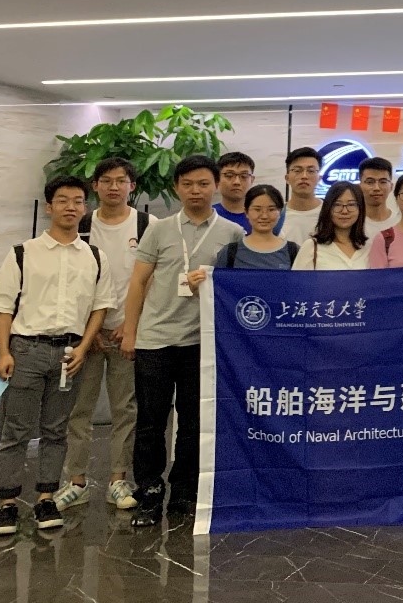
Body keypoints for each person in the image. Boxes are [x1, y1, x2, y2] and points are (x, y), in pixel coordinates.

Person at [0, 176, 115, 536]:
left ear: (85, 207)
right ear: (49, 207)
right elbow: (2, 308)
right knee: (16, 430)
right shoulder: (23, 253)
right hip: (26, 350)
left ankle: (46, 498)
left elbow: (100, 308)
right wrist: (4, 353)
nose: (70, 207)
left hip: (70, 354)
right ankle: (7, 504)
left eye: (78, 201)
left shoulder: (95, 256)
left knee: (56, 430)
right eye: (62, 200)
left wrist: (84, 348)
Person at [122, 155, 243, 527]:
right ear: (177, 187)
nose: (196, 191)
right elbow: (138, 282)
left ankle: (184, 491)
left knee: (193, 422)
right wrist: (130, 333)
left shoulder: (232, 233)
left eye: (203, 183)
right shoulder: (159, 229)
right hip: (155, 340)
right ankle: (149, 490)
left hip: (201, 343)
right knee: (150, 422)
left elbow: (236, 288)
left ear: (216, 186)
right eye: (188, 184)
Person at [55, 157, 152, 513]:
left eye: (121, 180)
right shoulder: (82, 224)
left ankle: (118, 479)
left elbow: (152, 278)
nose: (113, 186)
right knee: (78, 408)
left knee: (125, 408)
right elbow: (71, 279)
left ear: (132, 186)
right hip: (86, 336)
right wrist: (86, 331)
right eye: (106, 180)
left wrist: (132, 325)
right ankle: (75, 481)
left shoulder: (146, 225)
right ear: (95, 186)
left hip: (128, 333)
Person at [214, 185, 300, 269]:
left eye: (271, 209)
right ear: (246, 212)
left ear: (280, 212)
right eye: (257, 209)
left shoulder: (293, 252)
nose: (264, 216)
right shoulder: (230, 252)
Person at [293, 181, 370, 270]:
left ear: (360, 209)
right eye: (337, 205)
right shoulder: (312, 247)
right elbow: (297, 279)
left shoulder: (367, 248)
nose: (344, 211)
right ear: (328, 208)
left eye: (351, 204)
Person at [281, 147, 324, 245]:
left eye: (311, 171)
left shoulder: (331, 214)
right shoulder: (275, 216)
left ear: (319, 178)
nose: (304, 176)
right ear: (287, 178)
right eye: (297, 170)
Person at [213, 152, 257, 231]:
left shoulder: (262, 217)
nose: (237, 182)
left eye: (244, 176)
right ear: (217, 179)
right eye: (229, 175)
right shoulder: (208, 215)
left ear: (252, 180)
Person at [357, 157, 399, 239]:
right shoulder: (352, 223)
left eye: (383, 182)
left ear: (391, 186)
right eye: (370, 182)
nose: (376, 188)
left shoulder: (400, 222)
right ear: (359, 186)